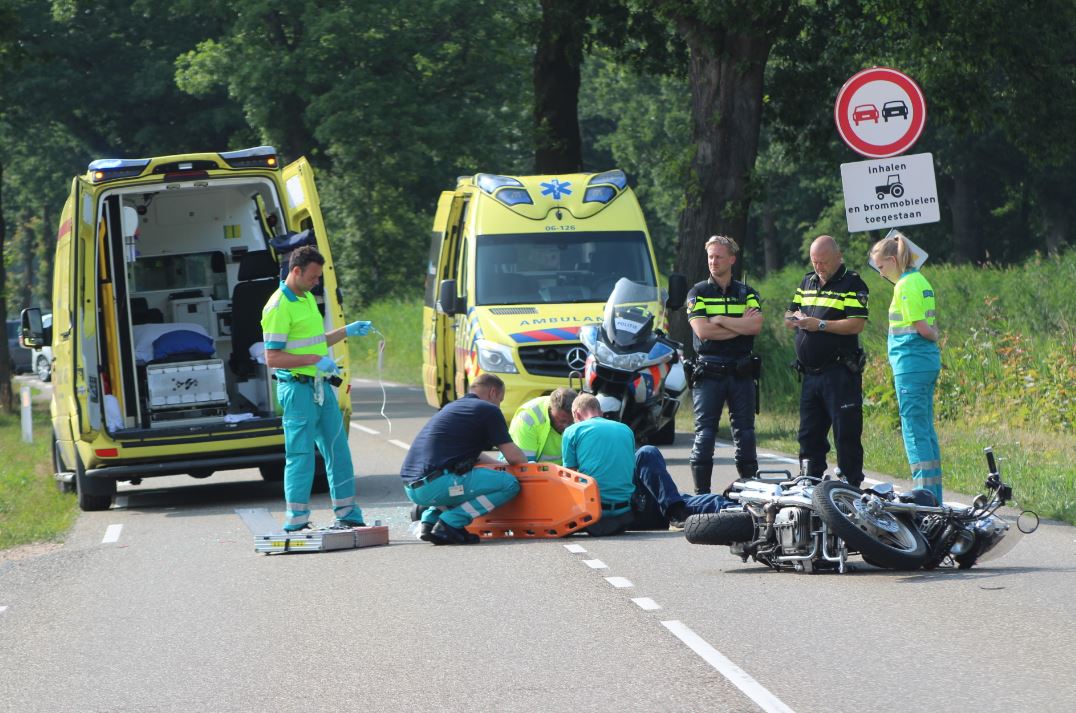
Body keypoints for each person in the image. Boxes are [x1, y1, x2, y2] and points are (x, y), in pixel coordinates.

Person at [261, 245, 374, 531]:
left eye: (318, 277)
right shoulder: (278, 307)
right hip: (297, 389)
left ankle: (347, 513)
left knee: (338, 450)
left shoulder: (307, 297)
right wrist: (314, 360)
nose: (316, 282)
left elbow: (315, 341)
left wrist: (346, 330)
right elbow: (272, 357)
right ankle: (296, 520)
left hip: (319, 386)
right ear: (295, 271)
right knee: (301, 454)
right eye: (313, 277)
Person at [563, 394, 730, 536]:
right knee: (647, 454)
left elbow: (570, 480)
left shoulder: (572, 432)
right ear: (600, 411)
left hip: (594, 518)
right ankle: (689, 508)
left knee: (679, 498)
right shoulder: (624, 429)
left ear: (576, 414)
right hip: (626, 513)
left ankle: (684, 507)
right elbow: (628, 469)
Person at [400, 374, 527, 545]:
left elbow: (477, 457)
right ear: (493, 392)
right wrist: (527, 468)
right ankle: (451, 523)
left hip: (413, 488)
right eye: (500, 400)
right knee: (509, 484)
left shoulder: (453, 408)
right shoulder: (488, 410)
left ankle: (429, 522)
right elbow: (513, 456)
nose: (499, 405)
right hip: (437, 485)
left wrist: (500, 467)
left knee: (473, 482)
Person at [784, 235, 869, 486]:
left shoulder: (852, 283)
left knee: (846, 433)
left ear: (838, 256)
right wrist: (795, 320)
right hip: (811, 374)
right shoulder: (807, 281)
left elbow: (856, 324)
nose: (818, 267)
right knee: (808, 434)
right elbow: (789, 314)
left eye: (823, 262)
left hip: (839, 372)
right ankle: (809, 481)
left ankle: (850, 484)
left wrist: (819, 325)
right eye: (814, 261)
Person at [685, 235, 763, 495]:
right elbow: (703, 331)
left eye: (718, 257)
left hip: (741, 371)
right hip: (709, 371)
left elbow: (755, 326)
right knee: (705, 434)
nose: (713, 262)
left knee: (746, 433)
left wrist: (719, 319)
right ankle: (702, 496)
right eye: (710, 257)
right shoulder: (697, 293)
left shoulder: (747, 292)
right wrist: (738, 325)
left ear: (731, 259)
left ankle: (750, 492)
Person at [869, 233, 943, 502]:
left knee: (913, 431)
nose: (880, 273)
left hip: (910, 364)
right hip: (923, 363)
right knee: (925, 428)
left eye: (881, 267)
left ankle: (924, 496)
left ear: (892, 260)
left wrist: (935, 334)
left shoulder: (904, 285)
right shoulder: (920, 280)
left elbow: (923, 328)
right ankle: (933, 495)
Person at [507, 387, 577, 464]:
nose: (566, 426)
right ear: (551, 408)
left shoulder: (582, 415)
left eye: (571, 422)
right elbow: (524, 467)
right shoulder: (529, 419)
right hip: (524, 471)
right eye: (562, 421)